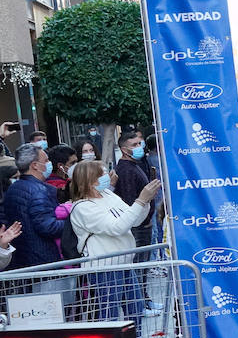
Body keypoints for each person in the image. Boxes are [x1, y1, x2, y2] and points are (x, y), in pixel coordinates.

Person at [68, 160, 159, 321]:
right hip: (105, 268)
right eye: (102, 173)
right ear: (90, 180)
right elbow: (117, 227)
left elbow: (134, 220)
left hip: (124, 263)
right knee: (110, 315)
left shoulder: (108, 194)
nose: (109, 176)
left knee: (136, 310)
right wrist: (140, 200)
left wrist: (144, 202)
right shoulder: (83, 208)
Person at [2, 143, 62, 267]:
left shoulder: (14, 187)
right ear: (35, 165)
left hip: (25, 259)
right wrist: (72, 219)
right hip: (45, 261)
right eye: (46, 160)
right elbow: (48, 227)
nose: (49, 163)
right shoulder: (39, 191)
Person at [113, 132, 155, 249]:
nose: (138, 147)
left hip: (142, 223)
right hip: (137, 226)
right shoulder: (126, 170)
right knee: (139, 264)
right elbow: (129, 198)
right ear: (124, 150)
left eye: (139, 143)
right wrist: (143, 221)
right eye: (134, 145)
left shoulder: (134, 165)